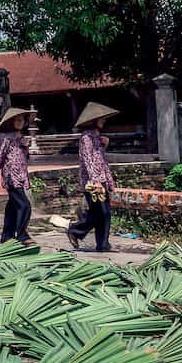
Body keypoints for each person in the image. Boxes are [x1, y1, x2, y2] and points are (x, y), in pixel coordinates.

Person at [66, 102, 119, 252]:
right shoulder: (86, 139)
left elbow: (101, 161)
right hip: (92, 182)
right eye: (101, 119)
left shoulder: (98, 138)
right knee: (100, 212)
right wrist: (95, 181)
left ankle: (103, 244)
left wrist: (107, 180)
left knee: (105, 212)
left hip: (102, 180)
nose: (104, 121)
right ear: (93, 120)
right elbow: (88, 161)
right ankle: (75, 230)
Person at [0, 107, 37, 246]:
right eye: (17, 120)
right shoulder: (8, 139)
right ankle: (21, 235)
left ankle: (7, 236)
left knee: (12, 208)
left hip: (21, 177)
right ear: (11, 122)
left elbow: (23, 159)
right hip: (11, 177)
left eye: (22, 120)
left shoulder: (21, 139)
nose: (20, 122)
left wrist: (26, 149)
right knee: (24, 205)